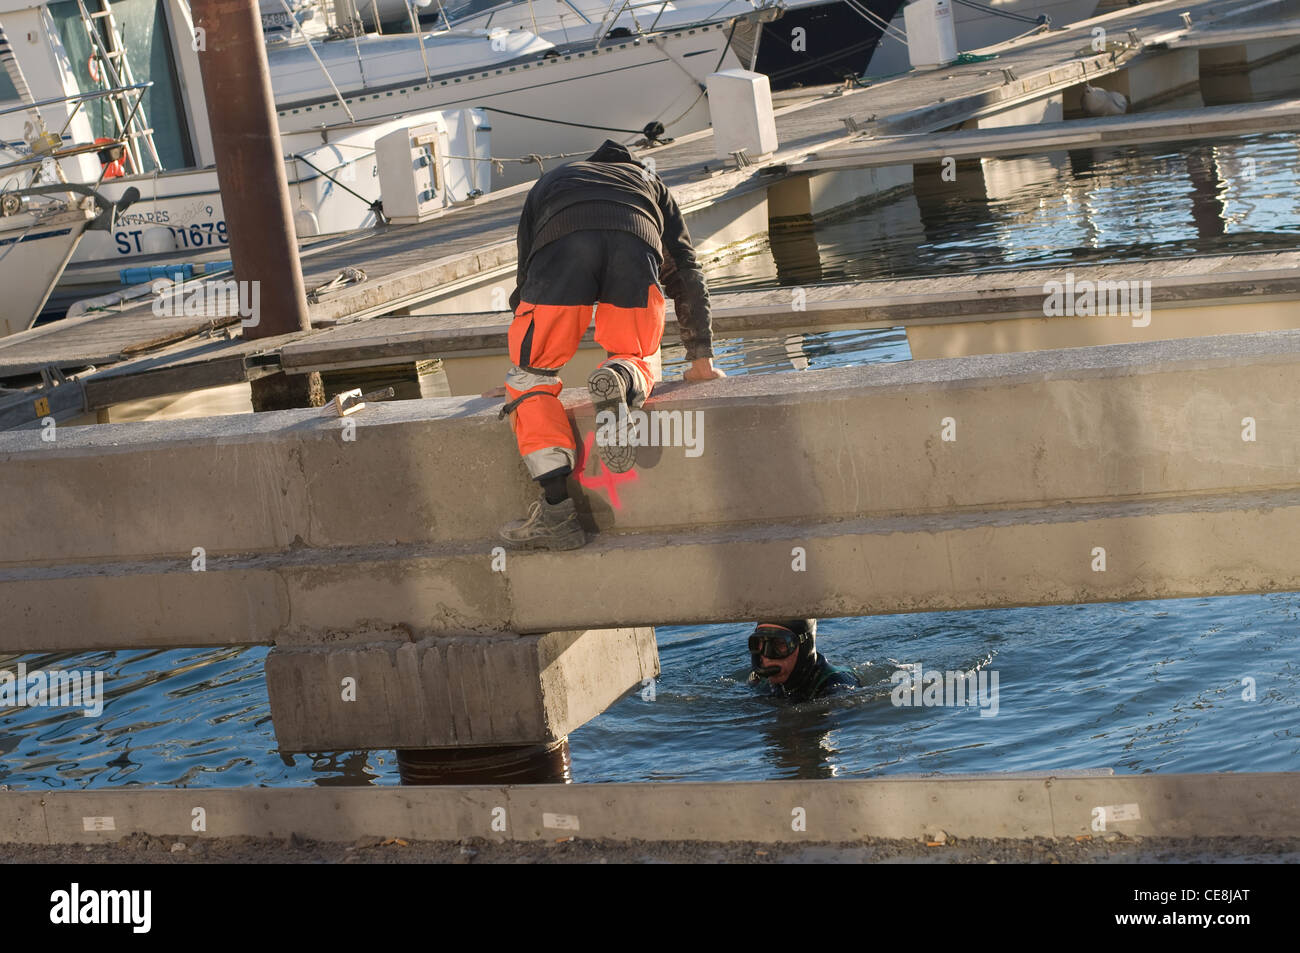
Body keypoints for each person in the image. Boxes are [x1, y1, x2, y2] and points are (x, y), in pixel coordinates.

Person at [498, 139, 725, 551]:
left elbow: (526, 273)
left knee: (531, 379)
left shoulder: (553, 180)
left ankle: (557, 514)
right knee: (636, 356)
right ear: (630, 165)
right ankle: (620, 375)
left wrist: (524, 361)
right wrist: (700, 358)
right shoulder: (650, 183)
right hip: (634, 245)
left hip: (561, 247)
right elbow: (687, 270)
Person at [748, 619, 860, 702]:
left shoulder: (836, 687)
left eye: (780, 644)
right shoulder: (760, 681)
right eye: (759, 643)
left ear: (804, 646)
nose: (767, 657)